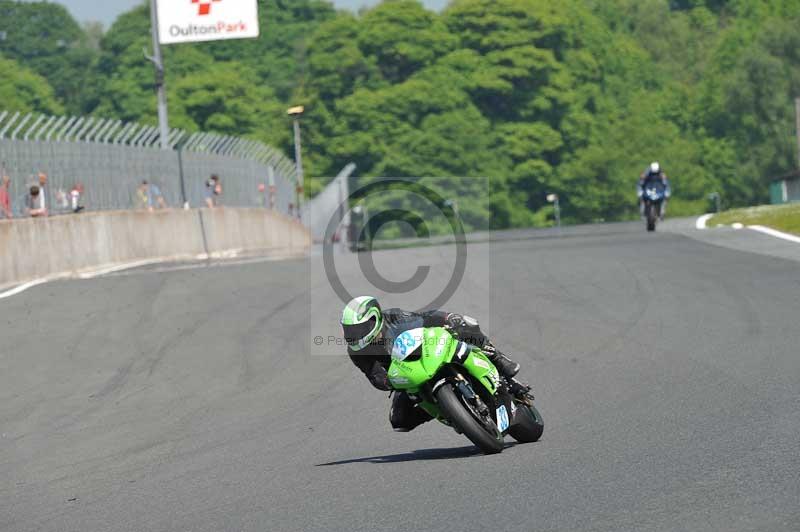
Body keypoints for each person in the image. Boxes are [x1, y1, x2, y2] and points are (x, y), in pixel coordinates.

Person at [341, 296, 530, 432]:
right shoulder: (357, 352)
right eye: (350, 330)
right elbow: (374, 376)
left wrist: (447, 319)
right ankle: (448, 411)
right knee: (399, 420)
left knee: (465, 325)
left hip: (429, 352)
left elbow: (426, 318)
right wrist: (390, 381)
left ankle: (498, 359)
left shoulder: (394, 317)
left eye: (360, 328)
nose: (356, 334)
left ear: (375, 317)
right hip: (407, 374)